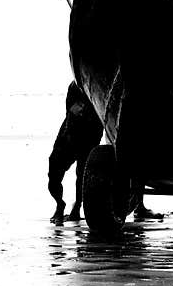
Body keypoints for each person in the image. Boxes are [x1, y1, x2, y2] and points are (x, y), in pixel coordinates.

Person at [48, 81, 162, 223]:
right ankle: (60, 204)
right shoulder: (76, 87)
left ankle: (76, 206)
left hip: (89, 135)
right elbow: (71, 111)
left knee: (83, 175)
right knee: (54, 173)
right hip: (68, 135)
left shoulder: (104, 91)